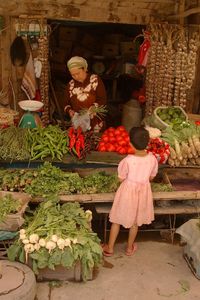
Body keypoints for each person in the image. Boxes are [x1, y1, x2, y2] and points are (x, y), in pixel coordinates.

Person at [102, 126, 158, 256]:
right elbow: (152, 176)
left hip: (127, 192)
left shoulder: (127, 161)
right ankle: (129, 248)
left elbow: (121, 178)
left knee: (116, 220)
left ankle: (110, 248)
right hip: (143, 191)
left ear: (130, 143)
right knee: (135, 222)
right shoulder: (152, 159)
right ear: (148, 143)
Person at [64, 56, 107, 132]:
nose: (76, 76)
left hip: (95, 122)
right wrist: (69, 110)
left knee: (95, 140)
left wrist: (94, 107)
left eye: (78, 73)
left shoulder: (95, 80)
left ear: (85, 69)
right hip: (78, 123)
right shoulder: (70, 85)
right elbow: (65, 103)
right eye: (73, 75)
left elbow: (102, 99)